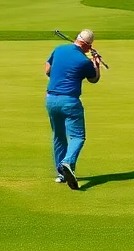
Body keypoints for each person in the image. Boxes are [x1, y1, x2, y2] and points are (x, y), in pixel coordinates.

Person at [44, 29, 103, 189]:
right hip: (69, 101)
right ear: (86, 44)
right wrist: (96, 63)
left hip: (50, 99)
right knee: (78, 137)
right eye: (89, 47)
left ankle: (61, 174)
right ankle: (67, 162)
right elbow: (94, 79)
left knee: (58, 136)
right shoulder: (84, 61)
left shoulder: (59, 49)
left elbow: (48, 70)